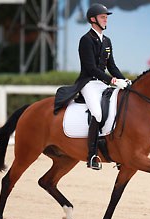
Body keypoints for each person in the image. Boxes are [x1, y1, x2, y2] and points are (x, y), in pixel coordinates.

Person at [54, 3, 131, 170]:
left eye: (106, 17)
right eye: (103, 17)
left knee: (119, 106)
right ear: (93, 19)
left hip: (102, 83)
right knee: (97, 113)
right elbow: (91, 68)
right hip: (88, 83)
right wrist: (112, 81)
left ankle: (118, 150)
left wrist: (125, 81)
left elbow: (112, 66)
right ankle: (92, 155)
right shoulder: (86, 40)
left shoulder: (107, 41)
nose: (105, 20)